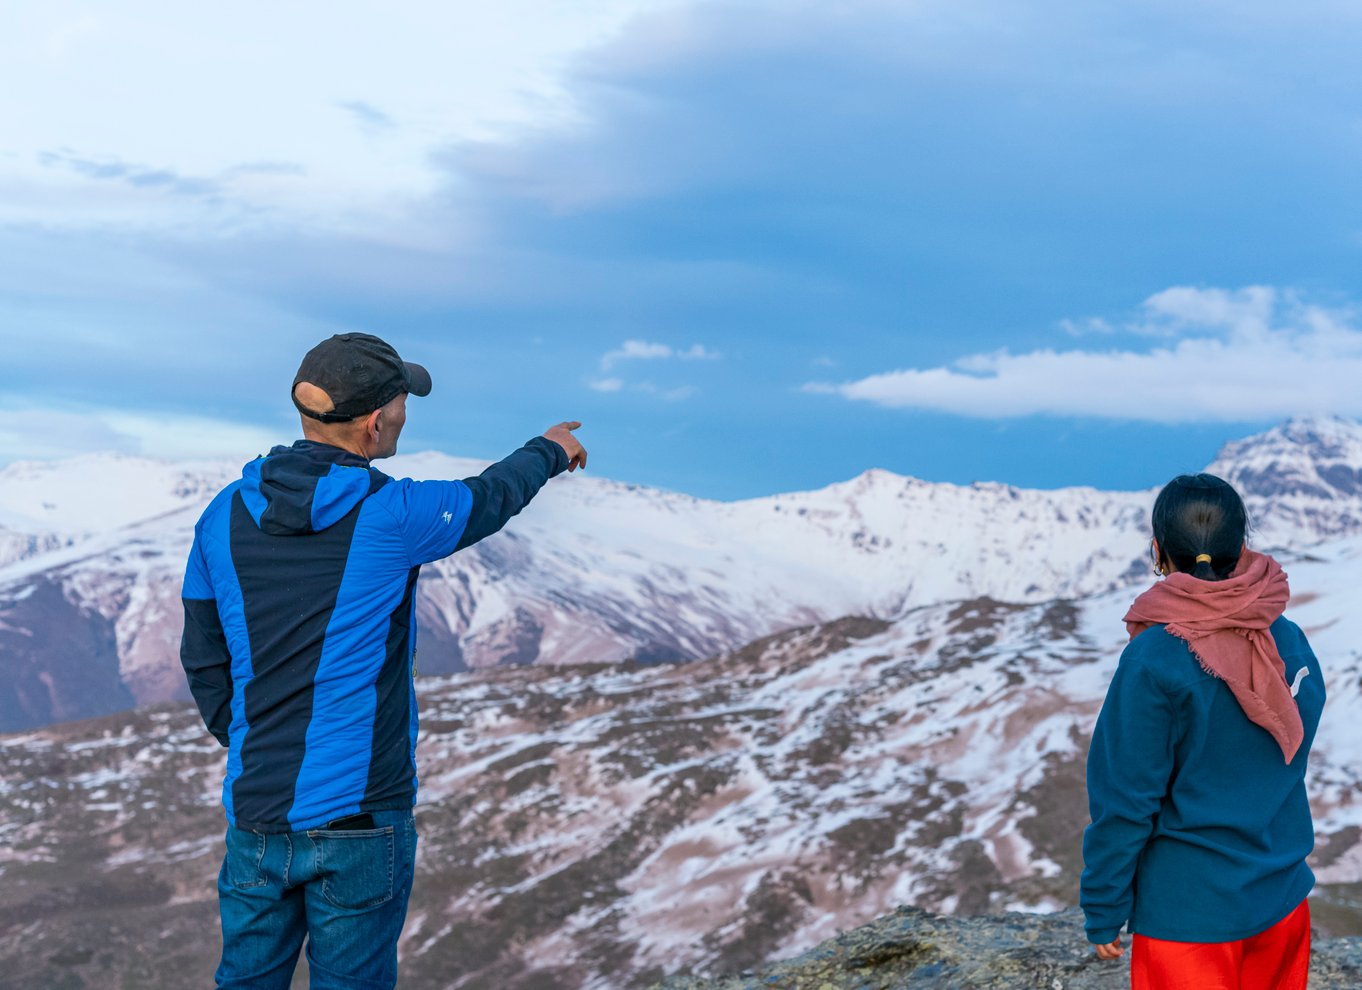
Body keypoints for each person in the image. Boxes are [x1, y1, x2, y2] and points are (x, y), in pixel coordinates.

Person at [178, 332, 587, 989]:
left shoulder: (220, 516)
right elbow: (490, 497)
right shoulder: (390, 513)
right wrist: (551, 448)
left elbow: (202, 657)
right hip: (362, 818)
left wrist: (252, 740)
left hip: (256, 816)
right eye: (402, 403)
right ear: (375, 421)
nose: (404, 415)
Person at [1080, 473, 1324, 990]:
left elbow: (1125, 799)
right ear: (1242, 547)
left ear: (1158, 551)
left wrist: (1104, 906)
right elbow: (1284, 756)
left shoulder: (1154, 659)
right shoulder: (1287, 638)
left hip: (1189, 920)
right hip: (1282, 904)